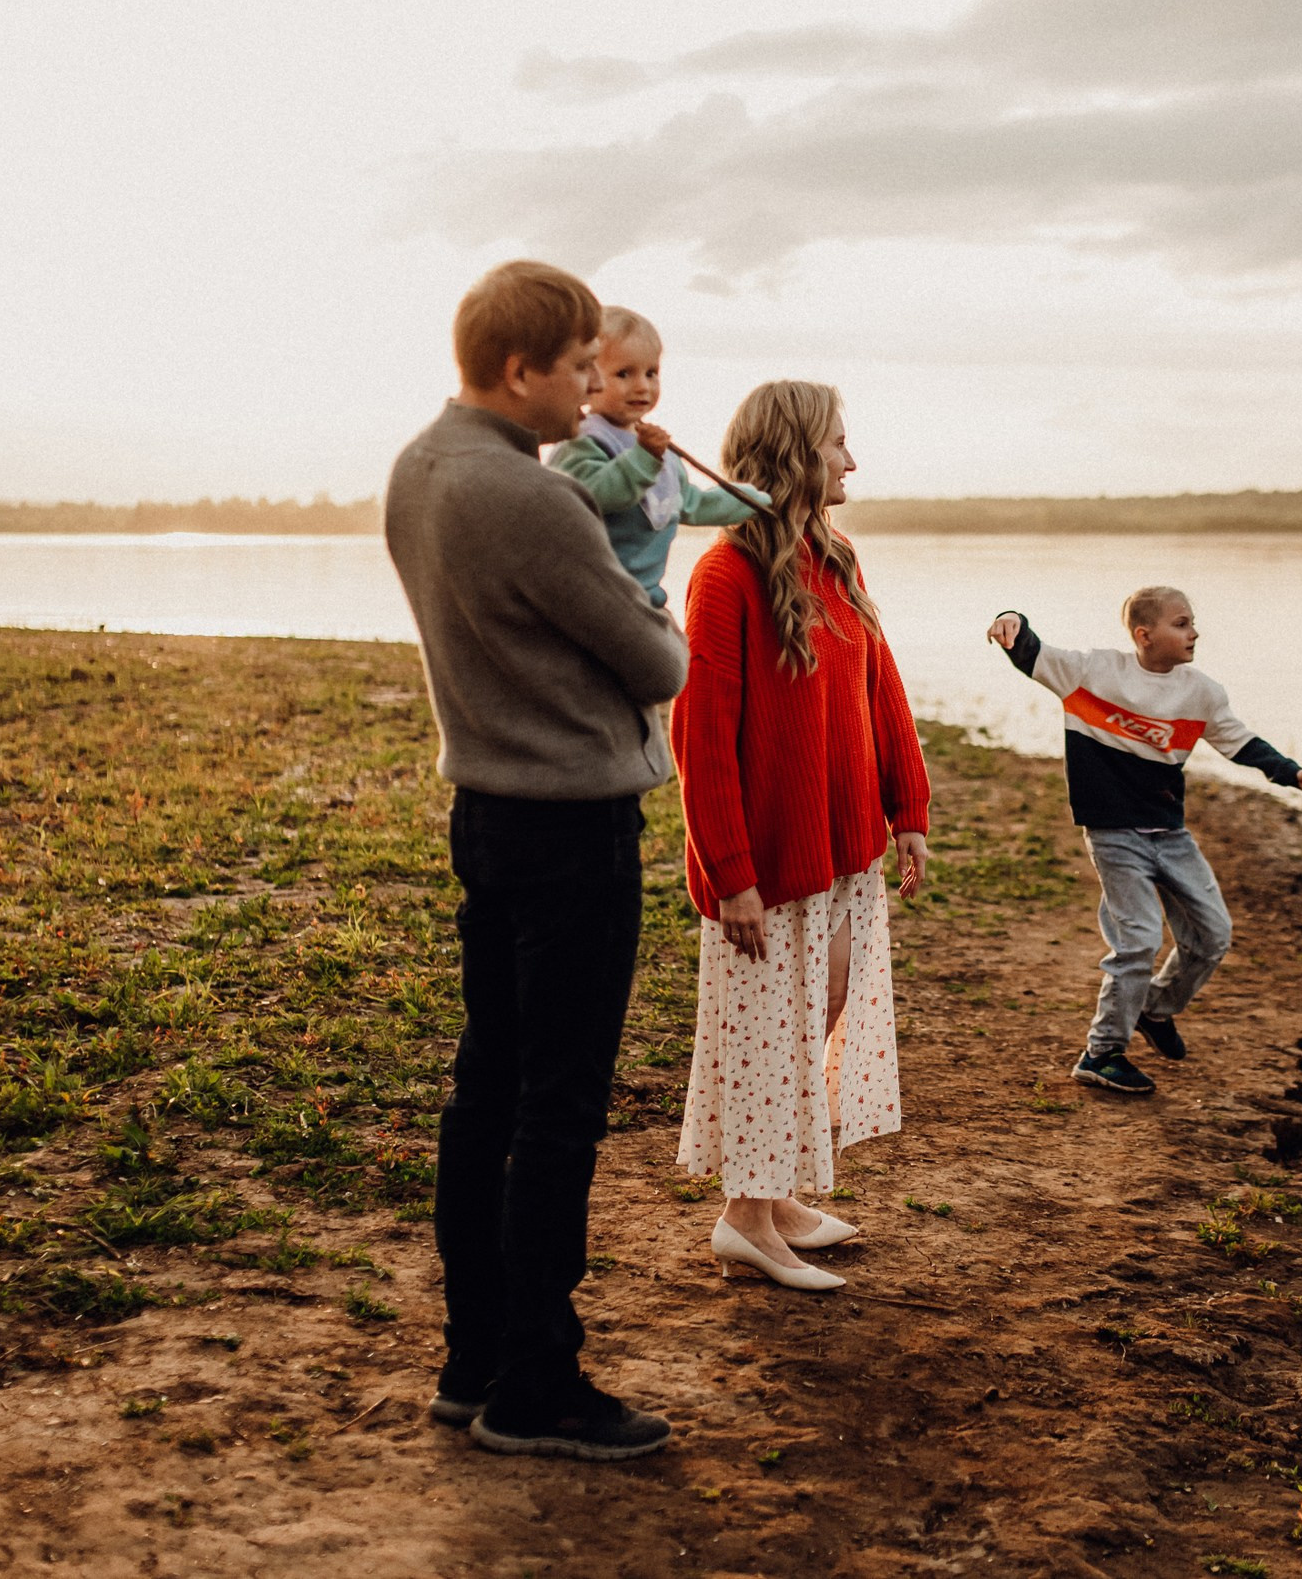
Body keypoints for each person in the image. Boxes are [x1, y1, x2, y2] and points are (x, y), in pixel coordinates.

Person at [383, 260, 687, 1462]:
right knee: (558, 1106)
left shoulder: (417, 466)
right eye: (575, 366)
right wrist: (653, 611)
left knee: (488, 1093)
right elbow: (657, 662)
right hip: (571, 825)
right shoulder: (533, 495)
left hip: (488, 811)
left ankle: (475, 1356)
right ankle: (538, 1379)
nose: (588, 386)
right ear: (519, 371)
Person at [671, 381, 931, 1290]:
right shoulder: (724, 574)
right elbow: (702, 735)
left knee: (817, 1010)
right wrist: (730, 872)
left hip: (844, 845)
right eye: (836, 445)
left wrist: (908, 808)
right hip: (769, 861)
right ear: (792, 454)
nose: (851, 460)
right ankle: (744, 1219)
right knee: (765, 1032)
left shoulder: (837, 556)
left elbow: (880, 686)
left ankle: (774, 1196)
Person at [986, 589, 1302, 1096]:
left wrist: (1292, 773)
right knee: (1139, 941)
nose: (1194, 633)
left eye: (1192, 623)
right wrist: (1010, 617)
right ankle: (1102, 1053)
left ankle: (1155, 1007)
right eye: (1182, 623)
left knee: (1212, 935)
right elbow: (1030, 652)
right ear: (1144, 635)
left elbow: (1239, 742)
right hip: (1113, 835)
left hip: (1170, 835)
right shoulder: (1093, 672)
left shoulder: (1202, 692)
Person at [544, 306, 767, 607]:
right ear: (589, 377)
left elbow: (692, 504)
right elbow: (595, 493)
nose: (642, 386)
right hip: (590, 599)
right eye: (624, 373)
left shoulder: (658, 451)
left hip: (645, 599)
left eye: (651, 373)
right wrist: (644, 457)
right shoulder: (582, 440)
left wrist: (756, 500)